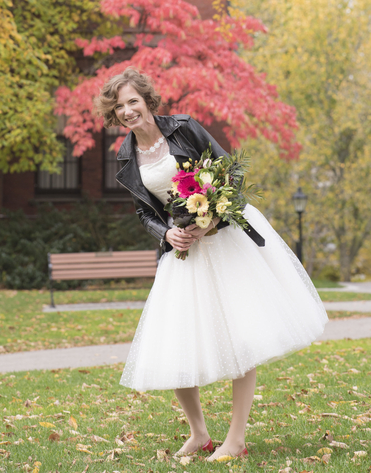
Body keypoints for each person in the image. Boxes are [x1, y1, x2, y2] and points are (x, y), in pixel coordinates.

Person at [96, 67, 327, 462]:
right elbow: (143, 211)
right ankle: (200, 433)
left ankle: (235, 440)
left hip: (223, 241)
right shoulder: (125, 155)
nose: (128, 111)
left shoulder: (184, 128)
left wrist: (210, 221)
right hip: (182, 250)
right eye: (119, 107)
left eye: (133, 101)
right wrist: (166, 234)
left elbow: (231, 175)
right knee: (175, 339)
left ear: (147, 101)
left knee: (242, 334)